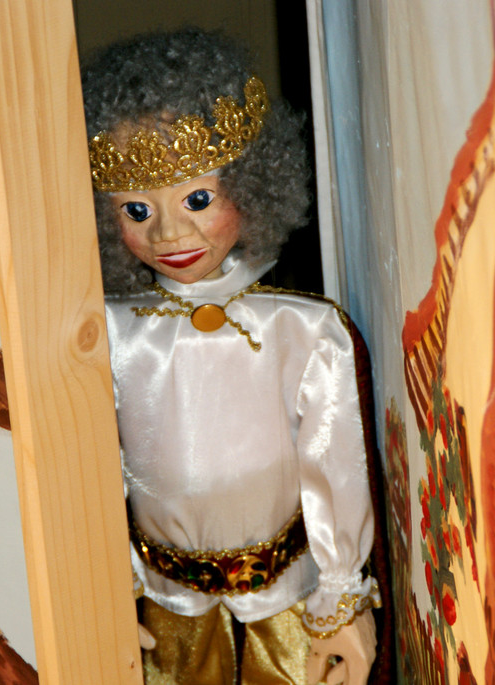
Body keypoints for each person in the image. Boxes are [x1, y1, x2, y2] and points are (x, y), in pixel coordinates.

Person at [82, 28, 380, 684]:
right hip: (162, 610)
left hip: (289, 602)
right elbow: (88, 468)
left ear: (252, 184)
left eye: (197, 199)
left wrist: (342, 597)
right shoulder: (107, 334)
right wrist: (105, 584)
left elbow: (334, 464)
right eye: (137, 210)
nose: (169, 232)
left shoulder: (302, 330)